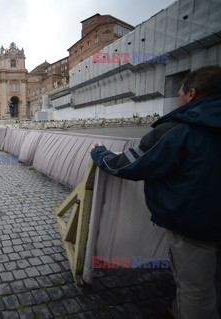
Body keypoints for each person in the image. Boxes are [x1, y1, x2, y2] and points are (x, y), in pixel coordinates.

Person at [90, 66, 221, 319]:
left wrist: (100, 153)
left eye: (180, 93)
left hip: (195, 225)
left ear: (192, 93)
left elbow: (129, 164)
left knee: (196, 291)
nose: (178, 99)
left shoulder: (179, 129)